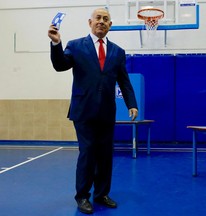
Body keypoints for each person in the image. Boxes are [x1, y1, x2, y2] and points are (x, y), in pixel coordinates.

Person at [48, 8, 138, 214]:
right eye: (98, 18)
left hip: (107, 112)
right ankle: (82, 196)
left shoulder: (118, 52)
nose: (101, 22)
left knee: (105, 155)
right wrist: (55, 43)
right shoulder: (76, 46)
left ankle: (101, 194)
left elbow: (124, 81)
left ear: (110, 25)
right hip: (83, 111)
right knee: (88, 154)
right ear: (90, 22)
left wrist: (131, 103)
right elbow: (60, 65)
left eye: (106, 19)